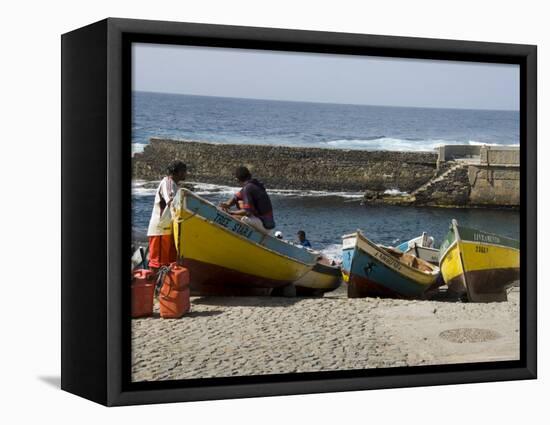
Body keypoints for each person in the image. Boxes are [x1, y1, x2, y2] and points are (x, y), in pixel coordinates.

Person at [147, 161, 187, 269]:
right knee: (158, 263)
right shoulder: (168, 182)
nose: (186, 174)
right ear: (177, 172)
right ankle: (154, 285)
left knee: (168, 264)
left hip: (167, 229)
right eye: (184, 171)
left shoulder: (173, 185)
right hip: (160, 229)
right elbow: (172, 202)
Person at [220, 166, 275, 234]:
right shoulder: (254, 184)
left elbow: (247, 212)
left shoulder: (248, 188)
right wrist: (227, 204)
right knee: (240, 202)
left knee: (234, 217)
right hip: (268, 223)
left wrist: (230, 213)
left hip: (264, 224)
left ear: (237, 179)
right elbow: (236, 198)